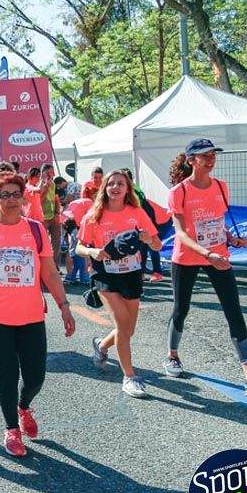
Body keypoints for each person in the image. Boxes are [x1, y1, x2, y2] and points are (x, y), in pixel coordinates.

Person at [0, 174, 75, 458]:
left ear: (24, 198)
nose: (11, 200)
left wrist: (63, 306)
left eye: (16, 194)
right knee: (8, 373)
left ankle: (24, 406)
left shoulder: (36, 230)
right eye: (5, 195)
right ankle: (11, 429)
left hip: (31, 316)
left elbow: (49, 271)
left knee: (36, 376)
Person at [163, 139, 247, 396]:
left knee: (233, 309)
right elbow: (181, 234)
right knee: (181, 308)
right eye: (204, 155)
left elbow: (217, 223)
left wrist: (231, 238)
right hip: (187, 257)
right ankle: (172, 356)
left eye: (213, 155)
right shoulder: (179, 192)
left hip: (218, 255)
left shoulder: (221, 186)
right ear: (191, 160)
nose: (210, 159)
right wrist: (207, 252)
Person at [75, 170, 162, 398]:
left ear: (127, 188)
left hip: (132, 274)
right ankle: (130, 377)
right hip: (106, 275)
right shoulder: (94, 215)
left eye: (120, 184)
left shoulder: (137, 213)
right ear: (104, 187)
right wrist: (92, 251)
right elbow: (79, 247)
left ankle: (102, 346)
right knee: (123, 325)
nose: (115, 187)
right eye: (111, 183)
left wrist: (148, 239)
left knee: (128, 330)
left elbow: (158, 246)